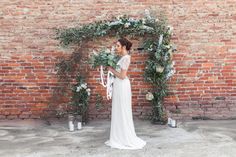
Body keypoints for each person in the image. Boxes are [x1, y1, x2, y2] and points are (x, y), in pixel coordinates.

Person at [104, 37, 146, 150]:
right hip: (118, 85)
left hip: (122, 85)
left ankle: (124, 137)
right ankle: (118, 136)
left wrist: (111, 69)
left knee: (122, 109)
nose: (116, 47)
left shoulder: (126, 58)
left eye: (117, 46)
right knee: (118, 109)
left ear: (123, 47)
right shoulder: (121, 57)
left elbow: (122, 76)